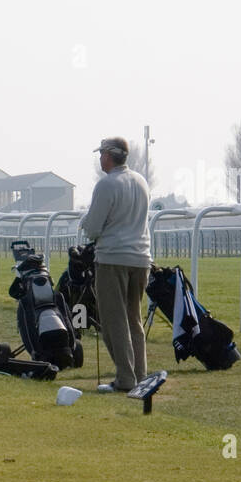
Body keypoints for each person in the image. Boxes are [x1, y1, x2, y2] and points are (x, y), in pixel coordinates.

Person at [80, 136, 152, 393]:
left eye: (101, 154)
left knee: (113, 321)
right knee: (134, 319)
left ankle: (125, 378)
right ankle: (140, 375)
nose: (100, 158)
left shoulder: (107, 185)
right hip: (141, 259)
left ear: (109, 155)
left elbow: (93, 227)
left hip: (113, 259)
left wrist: (84, 222)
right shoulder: (141, 181)